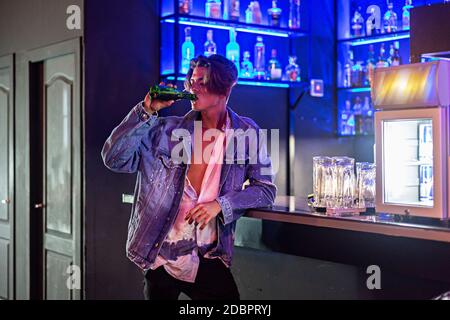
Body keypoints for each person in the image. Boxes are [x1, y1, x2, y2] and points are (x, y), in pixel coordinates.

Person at [101, 54, 277, 300]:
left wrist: (220, 205)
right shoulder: (165, 130)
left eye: (202, 82)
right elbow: (114, 158)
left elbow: (265, 190)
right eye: (191, 81)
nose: (192, 87)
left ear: (225, 88)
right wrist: (146, 111)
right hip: (161, 256)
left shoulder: (246, 133)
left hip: (208, 256)